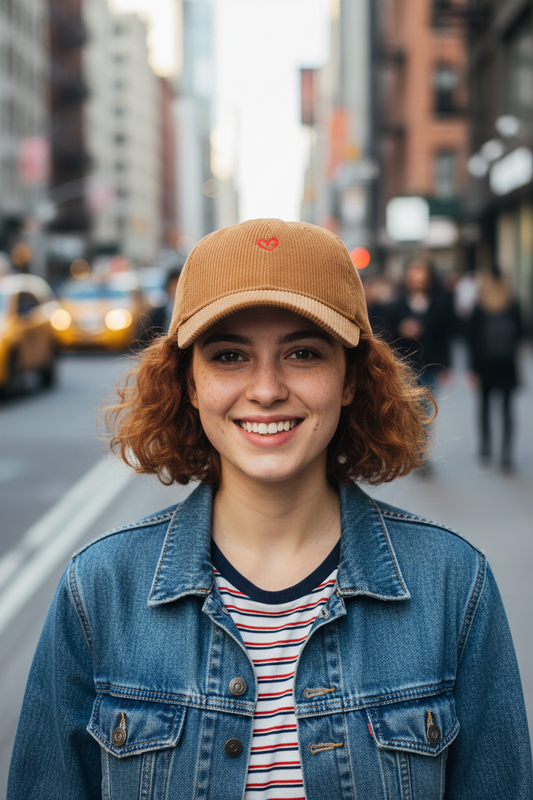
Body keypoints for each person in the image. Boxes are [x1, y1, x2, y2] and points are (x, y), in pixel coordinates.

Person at [8, 220, 532, 800]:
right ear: (188, 381)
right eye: (230, 355)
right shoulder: (99, 589)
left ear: (351, 377)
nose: (265, 389)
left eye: (303, 353)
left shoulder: (454, 584)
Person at [468, 268, 523, 472]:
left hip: (484, 364)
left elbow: (472, 338)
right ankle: (506, 453)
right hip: (507, 364)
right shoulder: (512, 303)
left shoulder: (480, 304)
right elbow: (521, 333)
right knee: (507, 409)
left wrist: (472, 368)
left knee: (484, 407)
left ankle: (486, 449)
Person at [382, 258, 453, 397]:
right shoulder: (395, 305)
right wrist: (401, 330)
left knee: (426, 408)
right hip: (404, 365)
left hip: (429, 364)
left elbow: (444, 337)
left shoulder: (439, 305)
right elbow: (386, 335)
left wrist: (445, 367)